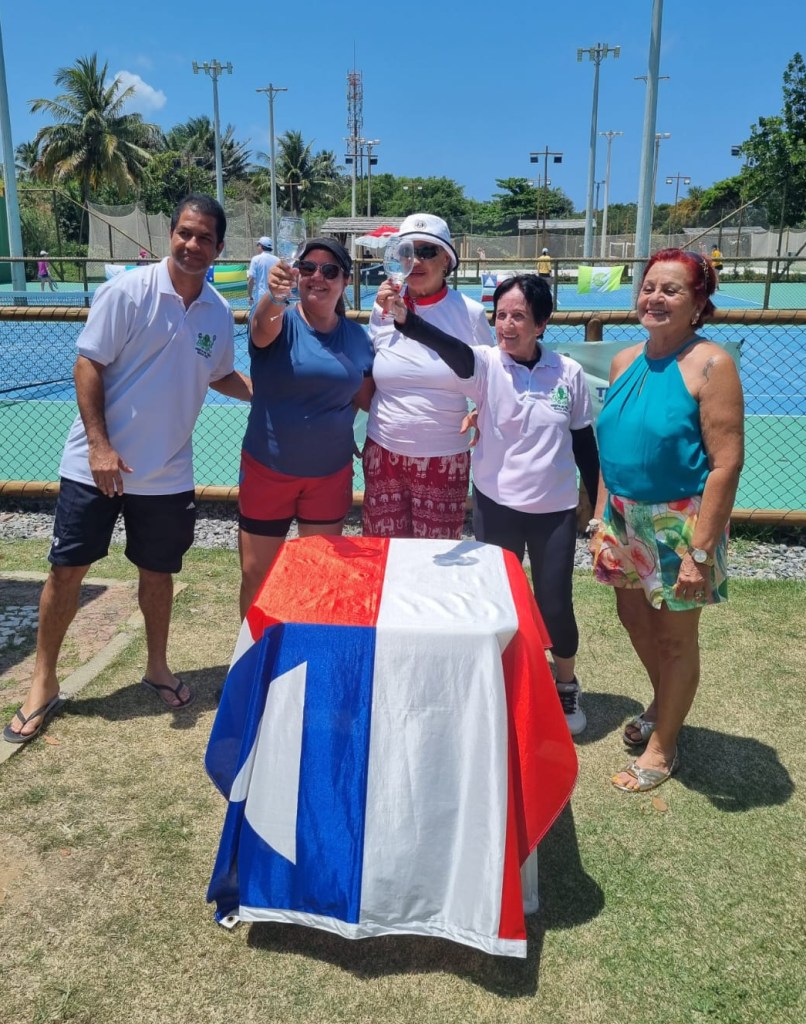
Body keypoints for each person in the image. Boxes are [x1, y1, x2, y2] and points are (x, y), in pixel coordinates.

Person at [3, 194, 252, 745]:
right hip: (96, 467)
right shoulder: (129, 292)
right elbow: (87, 362)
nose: (192, 244)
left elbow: (218, 373)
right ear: (171, 234)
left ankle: (157, 666)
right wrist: (100, 446)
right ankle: (43, 681)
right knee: (67, 571)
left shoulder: (216, 311)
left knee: (157, 573)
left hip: (167, 473)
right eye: (185, 232)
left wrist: (268, 395)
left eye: (204, 238)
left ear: (218, 248)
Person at [379, 273, 600, 736]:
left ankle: (565, 683)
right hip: (496, 506)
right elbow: (447, 346)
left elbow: (584, 444)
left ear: (541, 323)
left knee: (554, 603)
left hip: (554, 511)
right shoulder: (485, 363)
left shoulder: (568, 373)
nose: (506, 325)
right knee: (496, 602)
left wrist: (596, 508)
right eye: (501, 315)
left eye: (519, 316)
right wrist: (405, 320)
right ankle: (500, 681)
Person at [590, 248, 744, 791]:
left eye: (671, 290)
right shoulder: (623, 360)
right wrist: (599, 520)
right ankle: (663, 703)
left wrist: (699, 552)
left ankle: (664, 745)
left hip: (681, 524)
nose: (654, 297)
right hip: (622, 516)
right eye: (649, 287)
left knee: (675, 637)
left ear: (698, 303)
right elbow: (611, 449)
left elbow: (725, 464)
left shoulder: (712, 364)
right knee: (634, 618)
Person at [238, 237, 374, 617]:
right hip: (268, 470)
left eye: (329, 270)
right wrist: (274, 297)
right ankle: (256, 651)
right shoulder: (280, 321)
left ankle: (307, 649)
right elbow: (261, 327)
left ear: (346, 280)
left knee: (318, 575)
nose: (318, 277)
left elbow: (367, 398)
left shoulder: (357, 338)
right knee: (256, 574)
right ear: (296, 274)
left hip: (329, 475)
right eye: (309, 268)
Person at [363, 213, 494, 539]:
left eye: (428, 251)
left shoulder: (470, 312)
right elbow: (368, 370)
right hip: (383, 452)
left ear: (446, 259)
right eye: (408, 251)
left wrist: (480, 411)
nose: (417, 260)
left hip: (443, 456)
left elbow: (493, 376)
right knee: (383, 554)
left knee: (436, 558)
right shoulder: (381, 309)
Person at [247, 236, 279, 306]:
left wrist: (250, 296)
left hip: (261, 297)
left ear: (261, 246)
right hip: (275, 298)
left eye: (258, 245)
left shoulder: (256, 259)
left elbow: (251, 280)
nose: (257, 247)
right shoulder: (277, 260)